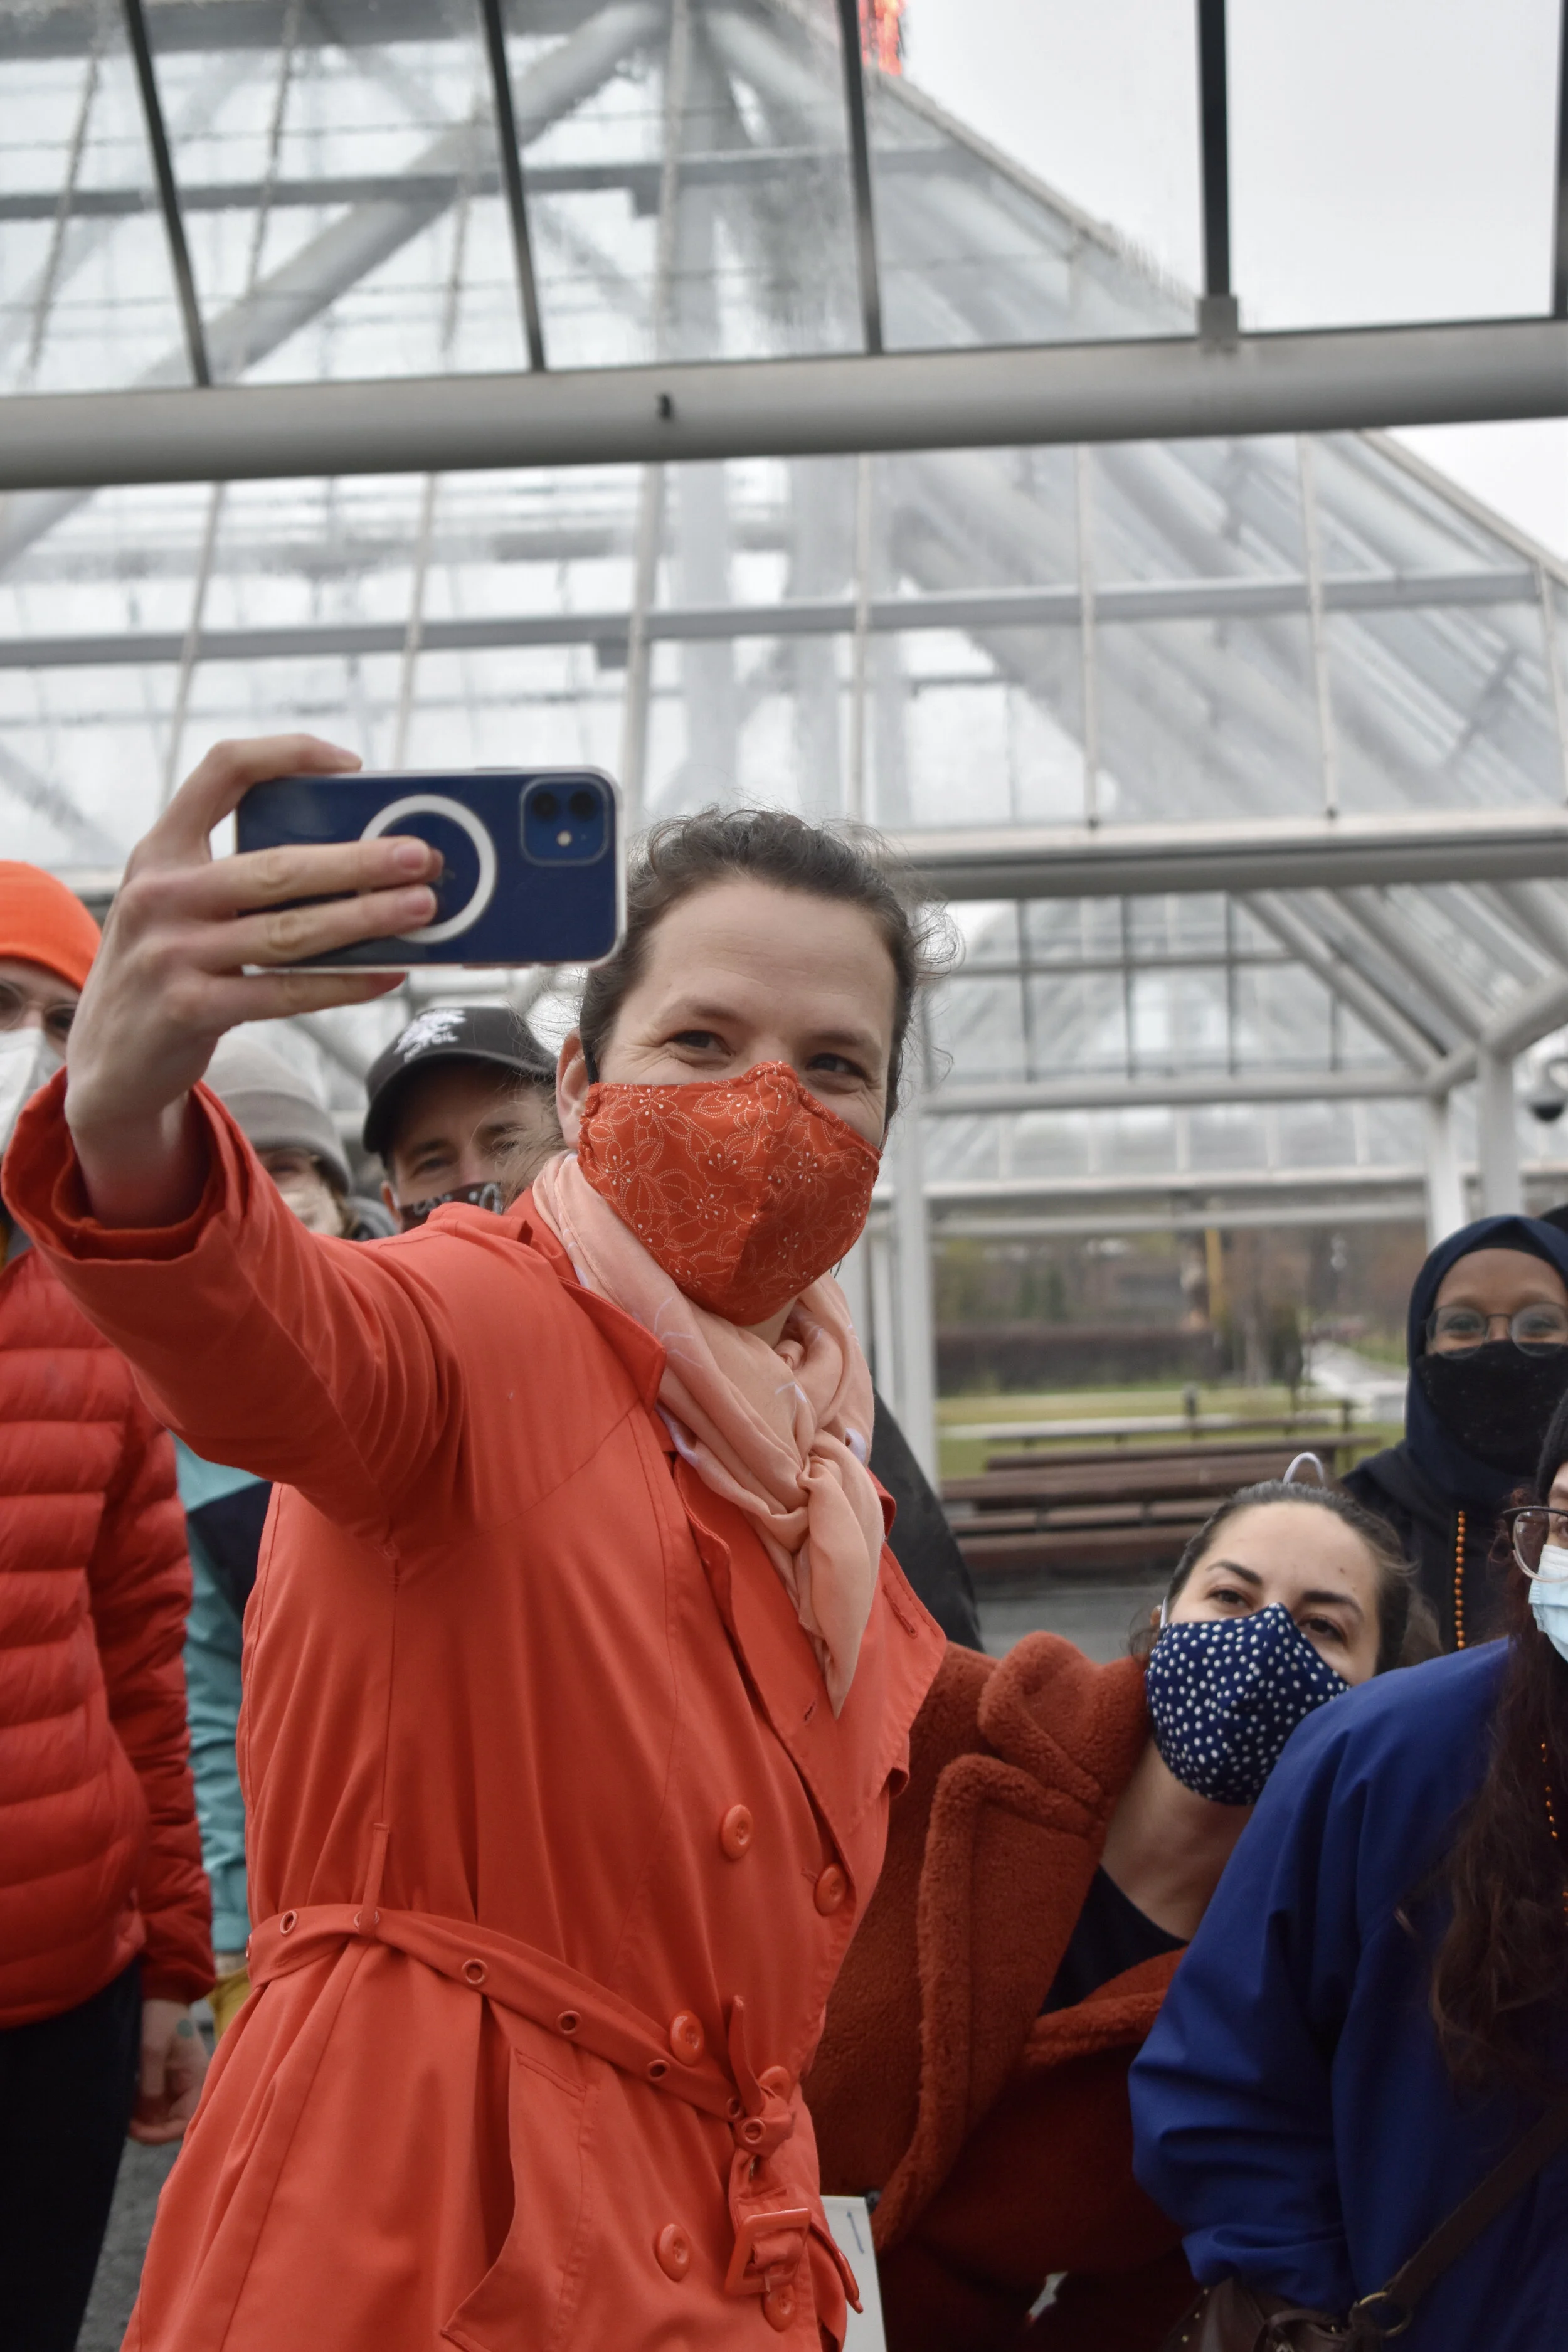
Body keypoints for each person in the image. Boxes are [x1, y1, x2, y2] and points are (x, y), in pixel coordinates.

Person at [4, 735, 953, 2352]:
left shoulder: (833, 1472)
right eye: (702, 1039)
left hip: (718, 2253)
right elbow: (274, 1332)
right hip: (418, 2232)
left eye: (836, 1064)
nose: (766, 1105)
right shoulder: (479, 1314)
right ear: (582, 1082)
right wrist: (131, 1099)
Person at [806, 1475, 1427, 2352]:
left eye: (1323, 1626)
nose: (1262, 1640)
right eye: (1231, 1595)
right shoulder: (935, 1719)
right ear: (1164, 1617)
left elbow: (1139, 2307)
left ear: (1379, 1695)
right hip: (658, 2276)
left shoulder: (1291, 2012)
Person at [1130, 1419, 1568, 2349]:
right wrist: (1310, 2312)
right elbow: (1222, 2089)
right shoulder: (1388, 1759)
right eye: (1566, 1521)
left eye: (1322, 1621)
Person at [364, 1002, 985, 1645]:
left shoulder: (779, 1361)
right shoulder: (399, 1376)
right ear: (392, 1202)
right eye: (433, 1162)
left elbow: (924, 1624)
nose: (475, 1181)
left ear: (572, 1118)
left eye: (500, 1142)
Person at [0, 862, 211, 2352]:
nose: (24, 1044)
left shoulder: (96, 1305)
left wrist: (175, 1966)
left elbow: (144, 1652)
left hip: (66, 1984)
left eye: (60, 1017)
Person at [177, 1032, 390, 2038]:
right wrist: (232, 1918)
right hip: (304, 1876)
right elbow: (215, 1698)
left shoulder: (420, 1332)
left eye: (299, 1163)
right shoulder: (183, 1416)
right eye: (252, 1167)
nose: (281, 1189)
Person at [1343, 1213, 1568, 1650]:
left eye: (1538, 1323)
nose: (1499, 1344)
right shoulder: (1362, 1517)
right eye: (1464, 1326)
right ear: (1420, 1345)